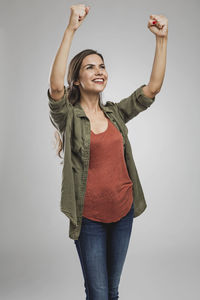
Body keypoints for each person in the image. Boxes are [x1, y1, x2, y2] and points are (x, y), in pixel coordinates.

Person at [47, 4, 168, 300]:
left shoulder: (115, 113)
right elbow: (55, 89)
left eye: (102, 66)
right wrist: (71, 29)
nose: (99, 71)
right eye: (90, 67)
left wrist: (161, 39)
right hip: (89, 219)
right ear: (76, 78)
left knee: (111, 292)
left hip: (123, 211)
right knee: (98, 293)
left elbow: (152, 89)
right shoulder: (70, 117)